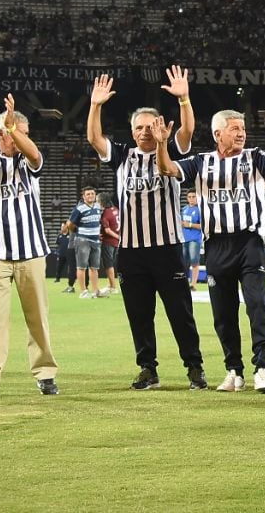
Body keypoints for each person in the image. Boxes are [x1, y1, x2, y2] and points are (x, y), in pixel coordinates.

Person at [155, 104, 265, 394]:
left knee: (257, 304)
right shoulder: (201, 162)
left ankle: (262, 368)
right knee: (223, 313)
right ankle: (234, 371)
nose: (241, 133)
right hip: (215, 244)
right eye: (235, 129)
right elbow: (167, 168)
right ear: (218, 134)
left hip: (248, 242)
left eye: (242, 129)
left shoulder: (254, 157)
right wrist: (160, 144)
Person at [87, 68, 207, 391]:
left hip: (167, 247)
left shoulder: (170, 152)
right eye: (138, 127)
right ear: (131, 130)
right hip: (131, 251)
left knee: (180, 312)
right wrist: (95, 105)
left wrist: (183, 98)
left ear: (157, 128)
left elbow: (188, 130)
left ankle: (194, 367)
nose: (143, 132)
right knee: (139, 315)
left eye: (148, 127)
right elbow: (94, 139)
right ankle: (147, 369)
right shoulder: (123, 157)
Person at [0, 93, 59, 400]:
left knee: (37, 317)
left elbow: (35, 157)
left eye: (18, 133)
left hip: (30, 251)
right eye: (5, 133)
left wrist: (15, 129)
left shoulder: (26, 158)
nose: (12, 139)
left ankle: (45, 373)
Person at [63, 186, 106, 299]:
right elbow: (69, 223)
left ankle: (96, 290)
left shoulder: (98, 207)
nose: (90, 196)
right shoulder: (79, 208)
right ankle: (83, 292)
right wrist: (77, 231)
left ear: (95, 195)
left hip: (95, 240)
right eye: (88, 194)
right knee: (81, 267)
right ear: (83, 196)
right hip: (83, 240)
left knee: (94, 268)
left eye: (92, 193)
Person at [181, 191, 203, 290]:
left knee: (194, 261)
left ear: (197, 197)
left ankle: (193, 284)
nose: (191, 198)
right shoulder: (184, 209)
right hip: (184, 239)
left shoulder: (200, 210)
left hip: (194, 239)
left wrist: (189, 225)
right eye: (189, 197)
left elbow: (203, 226)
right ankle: (184, 284)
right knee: (184, 263)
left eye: (193, 196)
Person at [99, 193, 120, 295]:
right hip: (116, 243)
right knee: (111, 263)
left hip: (109, 241)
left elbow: (107, 230)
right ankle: (110, 284)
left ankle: (113, 287)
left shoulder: (106, 213)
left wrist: (117, 237)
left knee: (108, 265)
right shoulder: (116, 209)